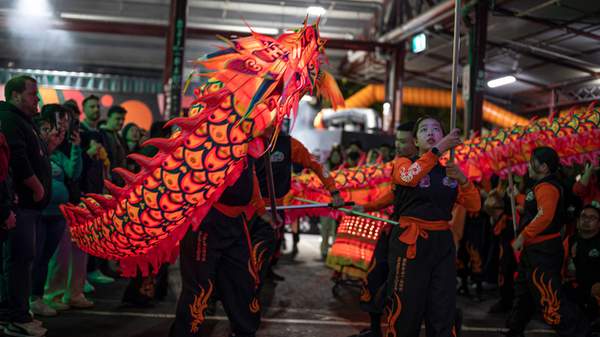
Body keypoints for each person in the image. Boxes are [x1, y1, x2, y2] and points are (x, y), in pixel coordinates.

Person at [380, 116, 481, 337]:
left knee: (442, 306)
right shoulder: (403, 163)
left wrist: (463, 179)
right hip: (410, 242)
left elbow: (474, 204)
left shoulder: (449, 172)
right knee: (406, 305)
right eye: (424, 129)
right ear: (415, 141)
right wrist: (438, 150)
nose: (430, 132)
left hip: (441, 244)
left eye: (436, 129)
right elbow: (408, 178)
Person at [169, 156, 269, 337]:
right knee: (199, 288)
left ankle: (244, 331)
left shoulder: (249, 147)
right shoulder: (216, 138)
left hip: (235, 223)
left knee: (242, 281)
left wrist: (262, 209)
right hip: (206, 222)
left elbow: (251, 179)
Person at [506, 146, 590, 337]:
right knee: (524, 292)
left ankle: (577, 331)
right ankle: (515, 329)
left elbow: (545, 215)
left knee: (549, 297)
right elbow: (535, 208)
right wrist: (517, 197)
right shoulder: (541, 186)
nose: (528, 165)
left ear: (543, 167)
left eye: (531, 161)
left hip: (542, 252)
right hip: (534, 250)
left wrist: (523, 235)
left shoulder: (547, 187)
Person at [350, 121, 418, 337]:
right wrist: (365, 207)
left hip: (413, 239)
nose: (397, 146)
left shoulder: (424, 168)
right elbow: (394, 195)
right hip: (394, 231)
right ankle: (377, 329)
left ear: (417, 142)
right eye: (396, 141)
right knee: (375, 276)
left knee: (398, 286)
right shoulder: (402, 164)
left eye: (402, 141)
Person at [0, 75, 51, 337]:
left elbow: (34, 155)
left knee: (22, 260)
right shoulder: (9, 119)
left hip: (28, 206)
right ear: (16, 95)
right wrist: (37, 187)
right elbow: (18, 161)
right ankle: (15, 318)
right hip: (20, 205)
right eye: (33, 94)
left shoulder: (24, 121)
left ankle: (16, 314)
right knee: (19, 261)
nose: (37, 99)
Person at [29, 105, 83, 317]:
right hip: (40, 213)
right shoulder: (36, 150)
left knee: (46, 258)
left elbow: (73, 172)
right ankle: (30, 299)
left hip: (58, 214)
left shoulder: (59, 155)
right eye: (57, 123)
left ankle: (38, 298)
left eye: (65, 122)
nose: (61, 128)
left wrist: (77, 149)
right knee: (35, 257)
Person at [80, 95, 114, 286]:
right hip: (85, 190)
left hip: (99, 188)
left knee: (97, 233)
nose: (96, 109)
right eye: (92, 106)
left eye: (97, 106)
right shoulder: (80, 132)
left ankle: (93, 270)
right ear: (84, 109)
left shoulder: (100, 133)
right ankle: (83, 274)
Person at [564, 203, 600, 322]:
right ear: (578, 220)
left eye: (592, 218)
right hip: (576, 288)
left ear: (599, 223)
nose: (586, 220)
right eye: (583, 216)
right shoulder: (570, 241)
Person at [319, 145, 344, 260]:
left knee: (336, 229)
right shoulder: (325, 168)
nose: (335, 157)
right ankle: (324, 251)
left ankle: (334, 254)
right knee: (325, 228)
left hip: (339, 205)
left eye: (337, 155)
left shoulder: (344, 169)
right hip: (326, 203)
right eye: (334, 155)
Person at [100, 105, 128, 186]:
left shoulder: (119, 137)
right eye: (117, 119)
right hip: (107, 182)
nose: (121, 122)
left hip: (119, 182)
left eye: (123, 119)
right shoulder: (101, 134)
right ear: (108, 118)